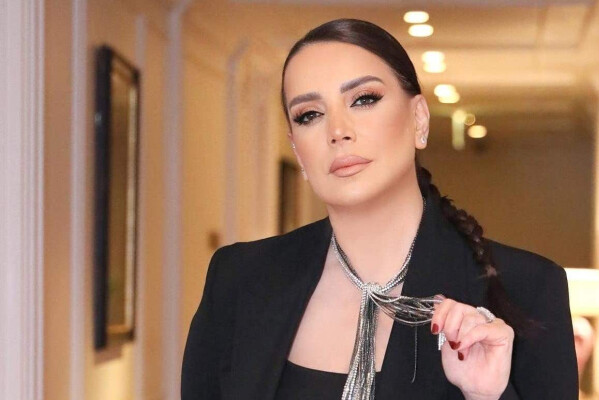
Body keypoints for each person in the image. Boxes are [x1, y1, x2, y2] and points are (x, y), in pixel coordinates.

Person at [181, 18, 577, 400]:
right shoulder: (239, 281)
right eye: (309, 115)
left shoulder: (527, 289)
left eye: (364, 99)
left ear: (419, 119)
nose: (338, 131)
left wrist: (484, 397)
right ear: (297, 150)